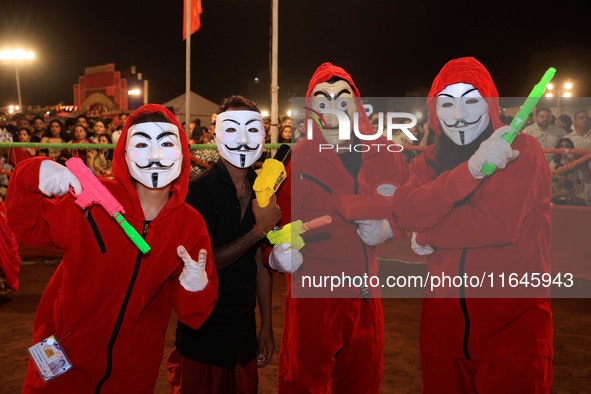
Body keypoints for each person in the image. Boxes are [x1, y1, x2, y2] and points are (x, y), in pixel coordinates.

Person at [6, 104, 218, 392]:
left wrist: (196, 288)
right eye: (142, 144)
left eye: (167, 144)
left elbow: (193, 315)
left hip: (132, 371)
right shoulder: (91, 199)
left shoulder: (190, 226)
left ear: (182, 152)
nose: (155, 155)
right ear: (125, 152)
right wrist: (33, 173)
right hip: (57, 352)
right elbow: (26, 225)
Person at [390, 57, 552, 393]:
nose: (460, 115)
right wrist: (472, 169)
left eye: (471, 101)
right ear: (435, 111)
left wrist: (429, 231)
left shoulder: (522, 149)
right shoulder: (428, 161)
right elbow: (406, 210)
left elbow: (496, 225)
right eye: (447, 104)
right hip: (442, 332)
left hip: (512, 328)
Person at [269, 63, 410, 393]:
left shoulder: (386, 155)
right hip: (312, 299)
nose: (332, 111)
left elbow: (415, 211)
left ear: (357, 106)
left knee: (362, 380)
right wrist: (276, 258)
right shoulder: (296, 160)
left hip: (366, 297)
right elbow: (274, 230)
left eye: (342, 100)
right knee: (304, 381)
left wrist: (390, 229)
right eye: (322, 101)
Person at [167, 96, 280, 393]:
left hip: (243, 333)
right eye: (232, 129)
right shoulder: (198, 192)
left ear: (264, 136)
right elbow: (203, 263)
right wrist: (258, 231)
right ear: (216, 135)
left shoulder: (263, 188)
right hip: (203, 333)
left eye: (252, 130)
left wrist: (266, 325)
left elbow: (260, 262)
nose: (242, 139)